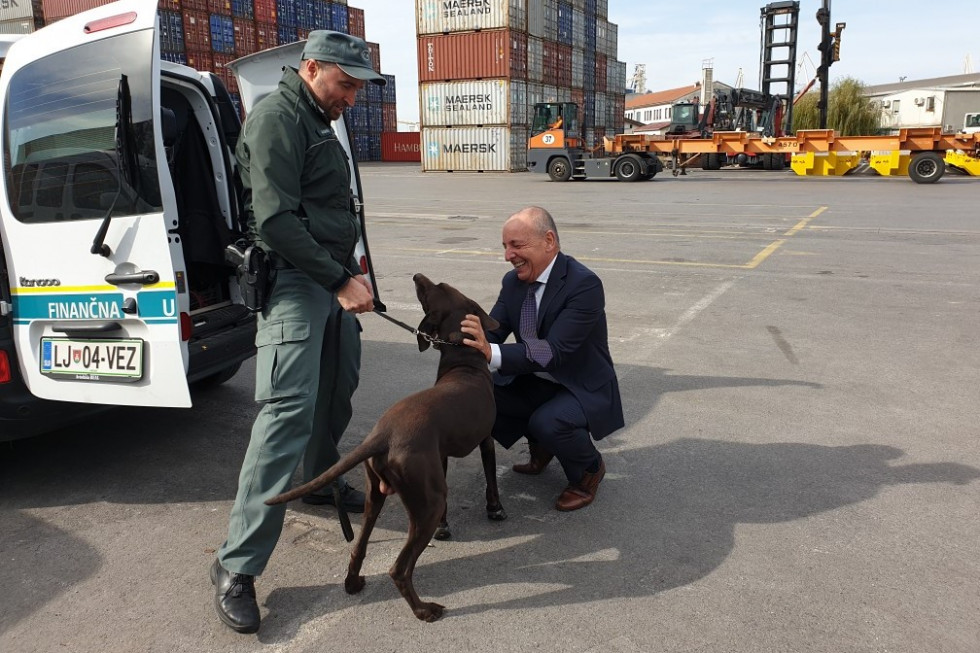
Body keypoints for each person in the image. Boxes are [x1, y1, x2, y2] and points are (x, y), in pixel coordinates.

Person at [209, 31, 385, 635]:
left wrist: (353, 271)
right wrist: (340, 279)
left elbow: (329, 209)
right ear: (311, 68)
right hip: (295, 281)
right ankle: (237, 566)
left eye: (360, 87)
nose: (353, 98)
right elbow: (279, 221)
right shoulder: (278, 119)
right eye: (346, 83)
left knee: (339, 383)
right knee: (286, 414)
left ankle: (316, 482)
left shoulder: (315, 114)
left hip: (331, 277)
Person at [460, 206, 624, 513]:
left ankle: (589, 470)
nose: (508, 255)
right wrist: (462, 340)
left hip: (579, 385)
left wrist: (490, 352)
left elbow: (553, 351)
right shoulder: (513, 282)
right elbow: (494, 330)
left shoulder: (584, 285)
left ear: (548, 241)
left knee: (549, 421)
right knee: (479, 395)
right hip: (536, 379)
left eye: (516, 245)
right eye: (505, 247)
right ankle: (543, 448)